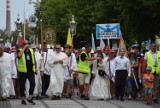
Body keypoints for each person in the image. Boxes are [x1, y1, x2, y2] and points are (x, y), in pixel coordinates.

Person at [17, 40, 36, 105]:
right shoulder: (20, 50)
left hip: (31, 71)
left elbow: (34, 59)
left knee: (33, 83)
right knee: (22, 86)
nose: (26, 45)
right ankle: (23, 99)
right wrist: (24, 48)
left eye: (27, 43)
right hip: (23, 71)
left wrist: (35, 68)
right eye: (25, 44)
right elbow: (19, 56)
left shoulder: (31, 50)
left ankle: (30, 97)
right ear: (23, 44)